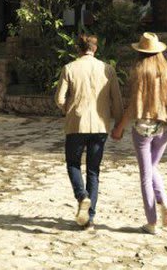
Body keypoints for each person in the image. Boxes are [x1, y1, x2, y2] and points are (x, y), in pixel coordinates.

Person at [111, 32, 167, 235]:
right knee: (153, 168)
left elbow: (133, 106)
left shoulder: (140, 71)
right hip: (163, 128)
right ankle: (165, 202)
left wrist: (119, 128)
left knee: (146, 175)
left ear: (141, 53)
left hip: (143, 129)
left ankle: (151, 222)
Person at [55, 34, 124, 230]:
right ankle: (89, 219)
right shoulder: (107, 69)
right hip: (100, 126)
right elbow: (117, 100)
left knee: (73, 164)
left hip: (76, 124)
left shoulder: (69, 68)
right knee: (94, 171)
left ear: (79, 48)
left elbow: (59, 99)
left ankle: (81, 196)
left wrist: (69, 110)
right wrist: (119, 123)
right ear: (95, 49)